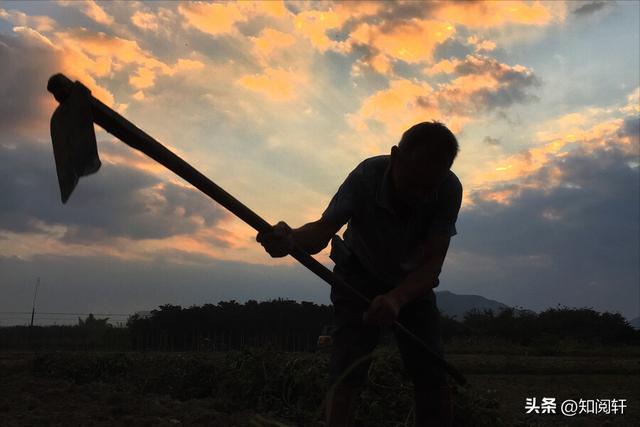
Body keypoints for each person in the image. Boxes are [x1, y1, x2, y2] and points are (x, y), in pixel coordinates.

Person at [257, 121, 463, 427]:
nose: (418, 195)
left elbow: (432, 265)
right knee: (347, 368)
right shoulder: (366, 176)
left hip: (411, 284)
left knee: (431, 369)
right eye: (412, 182)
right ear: (395, 157)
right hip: (358, 274)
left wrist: (395, 299)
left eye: (428, 187)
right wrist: (289, 239)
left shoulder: (448, 189)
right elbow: (321, 233)